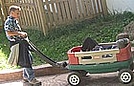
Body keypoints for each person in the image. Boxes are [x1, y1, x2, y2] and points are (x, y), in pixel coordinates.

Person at [4, 5, 41, 84]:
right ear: (12, 13)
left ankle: (25, 76)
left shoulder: (14, 20)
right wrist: (20, 33)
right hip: (16, 43)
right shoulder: (9, 21)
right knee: (26, 60)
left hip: (21, 42)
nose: (19, 15)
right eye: (17, 13)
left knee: (28, 59)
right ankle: (32, 79)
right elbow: (9, 33)